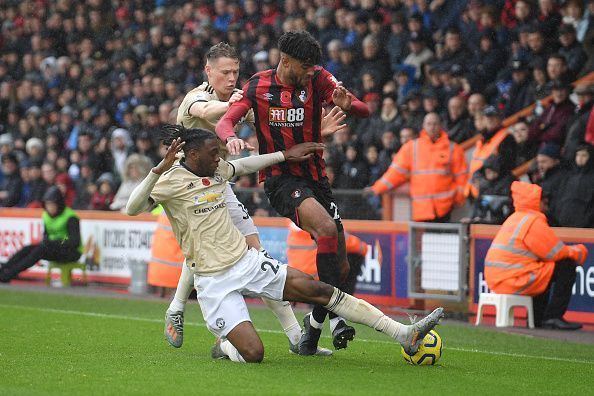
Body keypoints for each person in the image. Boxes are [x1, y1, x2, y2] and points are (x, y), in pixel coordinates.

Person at [125, 125, 443, 363]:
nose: (219, 157)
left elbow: (244, 165)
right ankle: (223, 344)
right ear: (192, 155)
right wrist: (156, 172)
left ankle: (404, 333)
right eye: (213, 152)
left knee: (318, 290)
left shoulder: (216, 169)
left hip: (244, 261)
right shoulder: (169, 181)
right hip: (212, 280)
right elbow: (132, 208)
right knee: (254, 353)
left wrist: (283, 156)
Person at [164, 42, 345, 354]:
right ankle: (177, 308)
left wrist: (317, 133)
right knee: (206, 249)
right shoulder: (197, 97)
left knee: (257, 255)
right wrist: (236, 105)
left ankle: (293, 337)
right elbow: (209, 112)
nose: (232, 77)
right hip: (187, 186)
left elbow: (273, 131)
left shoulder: (242, 97)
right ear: (209, 71)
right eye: (225, 72)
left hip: (219, 183)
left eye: (235, 71)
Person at [215, 31, 370, 355]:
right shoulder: (258, 86)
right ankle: (339, 316)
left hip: (316, 178)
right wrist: (231, 137)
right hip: (281, 178)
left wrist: (349, 106)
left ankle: (310, 336)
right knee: (326, 229)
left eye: (314, 68)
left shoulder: (319, 80)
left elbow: (363, 109)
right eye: (305, 67)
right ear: (285, 61)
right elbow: (225, 121)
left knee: (340, 267)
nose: (311, 72)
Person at [484, 181, 588, 330]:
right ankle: (553, 317)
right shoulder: (533, 221)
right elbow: (556, 252)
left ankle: (537, 319)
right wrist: (579, 251)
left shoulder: (515, 218)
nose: (546, 205)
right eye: (544, 201)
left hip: (497, 279)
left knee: (543, 271)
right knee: (566, 265)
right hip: (511, 278)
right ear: (536, 202)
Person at [365, 113, 468, 223]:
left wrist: (458, 200)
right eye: (429, 124)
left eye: (435, 124)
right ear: (423, 126)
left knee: (442, 239)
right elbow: (394, 174)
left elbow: (462, 177)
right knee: (422, 240)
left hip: (445, 208)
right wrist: (376, 189)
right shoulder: (412, 147)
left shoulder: (453, 149)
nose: (432, 127)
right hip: (421, 210)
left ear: (441, 125)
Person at [286, 222, 368, 349]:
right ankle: (338, 318)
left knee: (331, 269)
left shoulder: (292, 233)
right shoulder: (321, 224)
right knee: (345, 261)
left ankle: (320, 324)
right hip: (319, 281)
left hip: (297, 282)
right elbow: (358, 247)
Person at [0, 186, 82, 282]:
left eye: (52, 205)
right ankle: (4, 268)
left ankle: (10, 274)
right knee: (29, 248)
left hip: (71, 252)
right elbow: (46, 235)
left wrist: (55, 243)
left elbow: (73, 241)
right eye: (48, 205)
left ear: (59, 204)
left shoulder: (70, 217)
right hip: (54, 248)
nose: (49, 208)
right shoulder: (46, 216)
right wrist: (48, 242)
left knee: (39, 250)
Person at [466, 106, 517, 199]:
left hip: (495, 190)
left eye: (493, 117)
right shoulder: (481, 140)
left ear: (499, 119)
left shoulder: (507, 138)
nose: (490, 119)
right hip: (478, 190)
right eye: (487, 117)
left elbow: (506, 164)